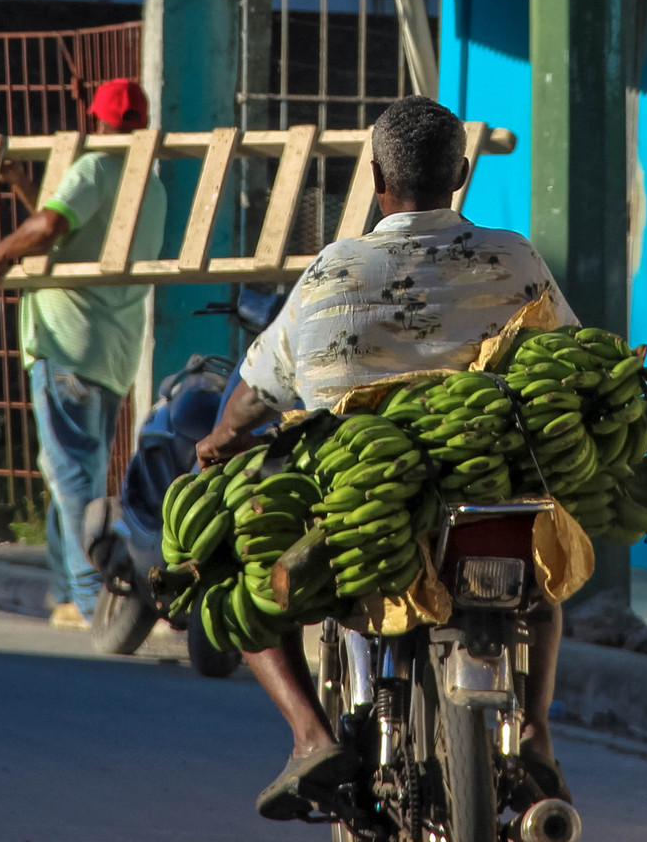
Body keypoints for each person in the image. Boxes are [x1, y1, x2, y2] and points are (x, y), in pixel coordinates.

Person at [196, 95, 577, 821]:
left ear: (376, 177)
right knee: (542, 582)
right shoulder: (515, 258)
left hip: (350, 496)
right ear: (461, 173)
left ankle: (312, 737)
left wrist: (222, 439)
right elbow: (567, 356)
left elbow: (256, 389)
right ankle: (535, 730)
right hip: (486, 487)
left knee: (237, 569)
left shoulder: (332, 272)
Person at [0, 79, 166, 631]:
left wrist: (0, 252)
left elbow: (52, 227)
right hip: (111, 354)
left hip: (67, 346)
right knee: (67, 470)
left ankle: (91, 600)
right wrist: (26, 189)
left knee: (72, 479)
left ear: (96, 120)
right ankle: (66, 590)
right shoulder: (146, 184)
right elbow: (75, 235)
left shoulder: (95, 167)